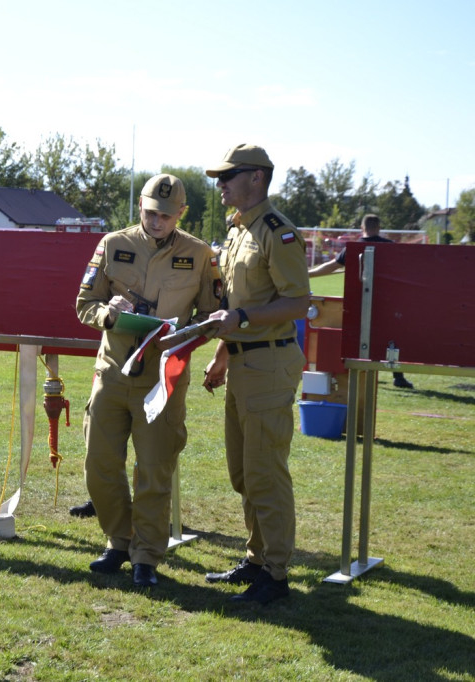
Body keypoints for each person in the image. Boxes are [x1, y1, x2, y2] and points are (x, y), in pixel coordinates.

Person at [76, 174, 221, 589]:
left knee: (155, 471)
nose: (155, 221)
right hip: (112, 373)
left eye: (164, 215)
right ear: (139, 206)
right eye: (148, 212)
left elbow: (212, 316)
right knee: (99, 465)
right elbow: (84, 304)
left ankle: (146, 557)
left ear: (180, 214)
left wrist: (184, 333)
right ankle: (119, 542)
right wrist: (109, 312)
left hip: (162, 378)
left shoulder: (199, 255)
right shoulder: (112, 244)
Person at [201, 144, 309, 605]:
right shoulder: (239, 230)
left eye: (229, 176)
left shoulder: (276, 232)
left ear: (257, 178)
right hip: (244, 361)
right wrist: (224, 354)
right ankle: (258, 558)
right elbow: (233, 305)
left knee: (265, 472)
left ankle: (277, 575)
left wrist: (240, 321)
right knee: (244, 472)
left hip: (268, 362)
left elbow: (297, 302)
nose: (221, 184)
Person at [308, 214, 412, 389]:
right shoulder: (390, 247)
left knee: (356, 335)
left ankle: (352, 369)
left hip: (358, 300)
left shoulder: (353, 248)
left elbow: (330, 267)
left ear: (362, 229)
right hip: (386, 301)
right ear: (378, 228)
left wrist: (307, 274)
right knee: (391, 337)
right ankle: (398, 376)